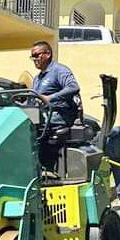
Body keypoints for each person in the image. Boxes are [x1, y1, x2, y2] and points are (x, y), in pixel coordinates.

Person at [30, 41, 81, 170]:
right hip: (41, 123)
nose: (34, 59)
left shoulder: (59, 70)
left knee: (45, 153)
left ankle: (49, 171)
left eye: (36, 55)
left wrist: (50, 98)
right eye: (32, 56)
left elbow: (73, 87)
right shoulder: (37, 78)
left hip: (56, 122)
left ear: (47, 54)